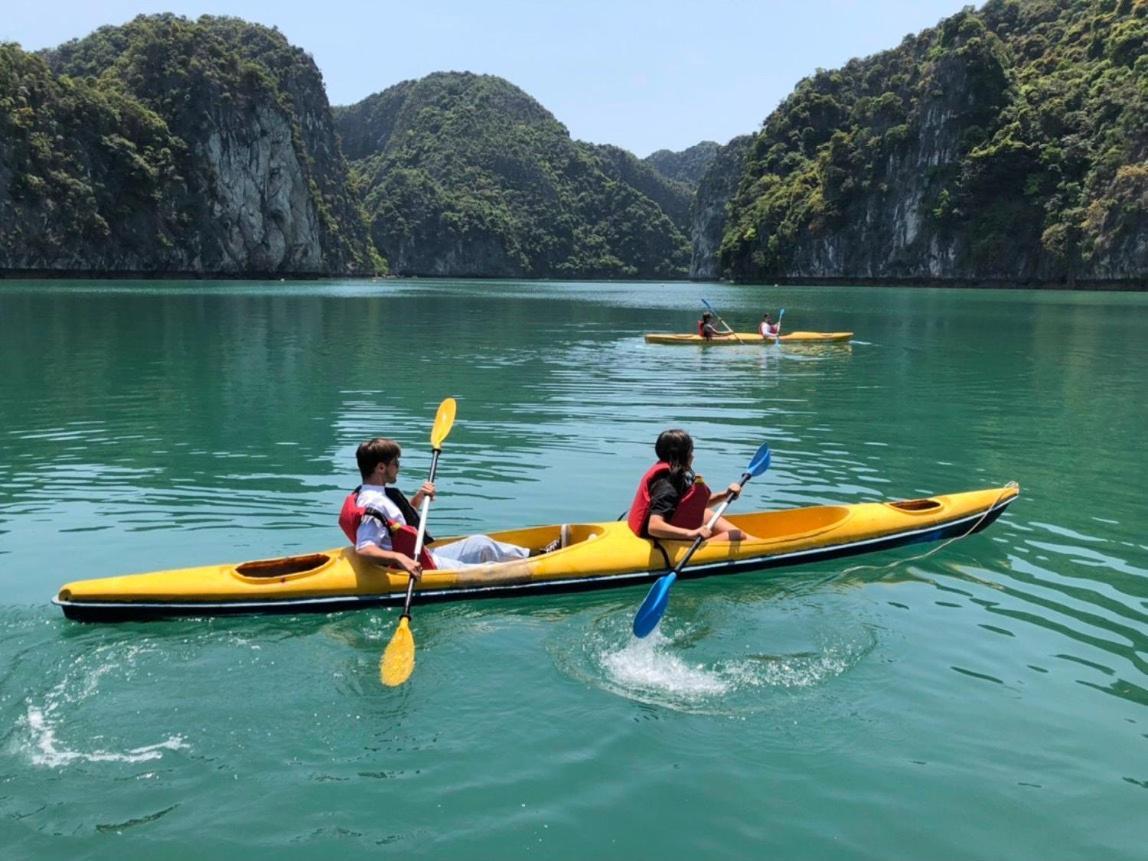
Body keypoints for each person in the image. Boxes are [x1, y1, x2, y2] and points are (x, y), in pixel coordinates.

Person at [340, 438, 558, 579]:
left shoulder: (375, 494)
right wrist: (400, 558)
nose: (399, 467)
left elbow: (395, 524)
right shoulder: (372, 503)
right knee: (488, 571)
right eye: (396, 463)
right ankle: (544, 570)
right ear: (381, 467)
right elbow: (365, 547)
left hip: (423, 555)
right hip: (418, 566)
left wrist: (417, 498)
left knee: (481, 544)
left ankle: (539, 556)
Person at [627, 429, 759, 543]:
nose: (693, 455)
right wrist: (692, 534)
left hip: (670, 526)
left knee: (706, 513)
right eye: (690, 451)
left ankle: (762, 543)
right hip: (661, 539)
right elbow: (654, 527)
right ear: (683, 456)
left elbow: (690, 505)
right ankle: (765, 548)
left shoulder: (672, 472)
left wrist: (725, 495)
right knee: (737, 535)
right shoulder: (667, 485)